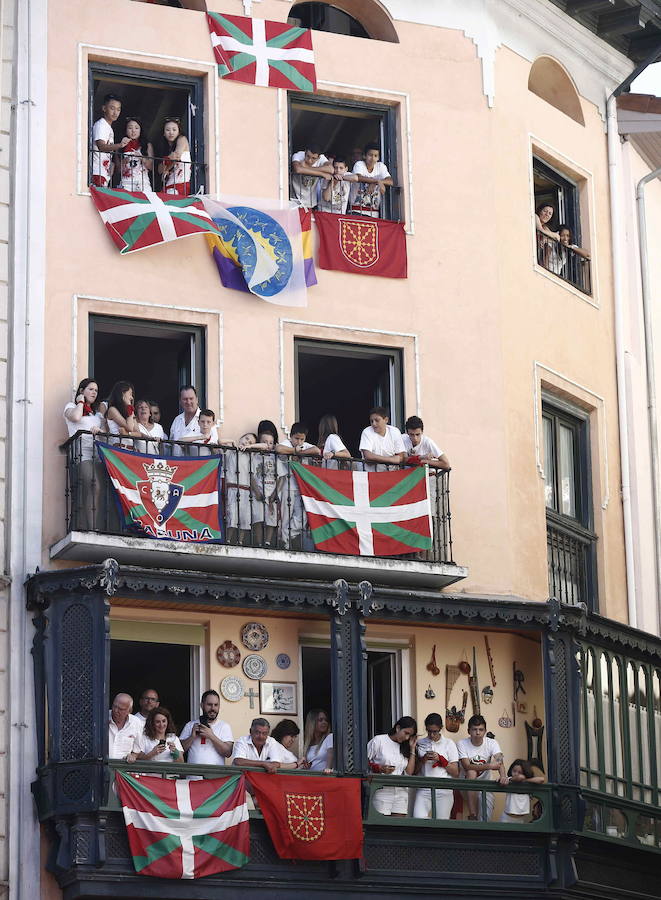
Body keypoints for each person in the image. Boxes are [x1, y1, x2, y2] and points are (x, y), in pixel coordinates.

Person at [63, 378, 107, 530]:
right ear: (82, 391)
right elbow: (75, 417)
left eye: (96, 390)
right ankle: (92, 527)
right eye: (90, 389)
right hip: (82, 454)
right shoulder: (71, 407)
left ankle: (95, 526)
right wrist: (81, 401)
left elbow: (105, 434)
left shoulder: (96, 415)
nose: (94, 392)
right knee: (94, 485)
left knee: (97, 490)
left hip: (98, 455)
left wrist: (100, 430)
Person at [276, 423, 321, 548]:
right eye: (296, 438)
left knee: (302, 516)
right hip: (287, 486)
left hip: (302, 487)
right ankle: (285, 543)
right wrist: (295, 451)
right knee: (285, 516)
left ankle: (287, 536)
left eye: (302, 439)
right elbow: (278, 449)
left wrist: (301, 452)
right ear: (291, 436)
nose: (299, 441)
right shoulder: (286, 444)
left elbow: (317, 450)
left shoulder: (304, 446)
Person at [457, 714, 508, 821]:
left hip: (485, 784)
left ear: (485, 731)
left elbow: (500, 761)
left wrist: (503, 776)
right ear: (468, 731)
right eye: (474, 729)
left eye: (481, 729)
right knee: (471, 772)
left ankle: (482, 825)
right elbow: (467, 766)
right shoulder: (462, 743)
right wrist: (489, 766)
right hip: (466, 784)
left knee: (486, 817)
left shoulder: (492, 743)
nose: (478, 732)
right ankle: (472, 815)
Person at [412, 713, 459, 819]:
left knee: (441, 822)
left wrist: (441, 759)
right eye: (429, 731)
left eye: (435, 731)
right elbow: (414, 771)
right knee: (418, 818)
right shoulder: (420, 743)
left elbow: (455, 772)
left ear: (441, 728)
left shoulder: (449, 743)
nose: (432, 735)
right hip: (424, 788)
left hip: (444, 788)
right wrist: (423, 760)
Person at [367, 716, 417, 816]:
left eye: (410, 735)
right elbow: (364, 762)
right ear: (398, 728)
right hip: (381, 790)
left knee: (398, 824)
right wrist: (380, 768)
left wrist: (412, 749)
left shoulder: (405, 746)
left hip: (401, 791)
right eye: (406, 733)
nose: (407, 738)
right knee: (381, 823)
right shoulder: (379, 740)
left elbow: (409, 772)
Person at [180, 690, 233, 765]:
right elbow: (179, 750)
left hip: (216, 772)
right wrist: (192, 737)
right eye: (209, 704)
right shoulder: (190, 725)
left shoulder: (224, 726)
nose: (213, 708)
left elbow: (228, 753)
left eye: (216, 705)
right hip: (193, 772)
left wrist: (211, 736)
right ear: (202, 705)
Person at [226, 432, 258, 546]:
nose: (247, 442)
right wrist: (232, 442)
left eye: (250, 442)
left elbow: (264, 446)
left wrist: (250, 447)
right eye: (246, 439)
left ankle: (240, 541)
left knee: (244, 517)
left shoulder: (250, 455)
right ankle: (228, 540)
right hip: (233, 488)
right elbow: (220, 442)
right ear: (241, 438)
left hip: (245, 489)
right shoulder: (231, 451)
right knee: (232, 515)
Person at [91, 93, 129, 187]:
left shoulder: (108, 127)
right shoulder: (101, 125)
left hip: (103, 173)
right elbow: (101, 146)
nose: (115, 113)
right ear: (104, 108)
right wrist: (120, 145)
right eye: (112, 108)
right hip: (97, 171)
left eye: (118, 109)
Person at [251, 430, 279, 548]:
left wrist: (275, 493)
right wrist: (256, 491)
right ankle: (259, 542)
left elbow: (281, 477)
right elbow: (251, 475)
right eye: (265, 442)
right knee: (258, 517)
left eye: (271, 442)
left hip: (271, 491)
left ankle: (267, 541)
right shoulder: (254, 457)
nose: (268, 445)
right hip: (258, 491)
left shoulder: (275, 458)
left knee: (271, 518)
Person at [350, 142, 393, 218]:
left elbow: (390, 181)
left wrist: (377, 182)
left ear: (378, 158)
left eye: (375, 156)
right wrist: (377, 181)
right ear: (364, 156)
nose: (373, 158)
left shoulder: (381, 166)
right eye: (370, 155)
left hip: (374, 213)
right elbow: (358, 177)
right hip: (356, 211)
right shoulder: (359, 164)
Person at [500, 759, 545, 823]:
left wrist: (526, 781)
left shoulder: (526, 783)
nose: (516, 774)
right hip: (507, 818)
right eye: (514, 771)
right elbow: (520, 777)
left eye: (520, 772)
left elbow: (541, 779)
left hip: (520, 819)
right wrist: (524, 779)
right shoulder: (509, 780)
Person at [290, 144, 334, 209]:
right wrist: (321, 174)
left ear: (318, 158)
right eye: (308, 156)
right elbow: (298, 169)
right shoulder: (298, 155)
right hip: (295, 200)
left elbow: (331, 169)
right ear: (305, 152)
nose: (309, 160)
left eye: (313, 158)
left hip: (310, 202)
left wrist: (305, 168)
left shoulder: (322, 157)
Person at [117, 116, 153, 192]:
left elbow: (151, 167)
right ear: (126, 130)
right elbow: (118, 170)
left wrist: (142, 158)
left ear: (140, 130)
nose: (133, 131)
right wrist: (124, 162)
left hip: (143, 182)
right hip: (126, 182)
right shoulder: (120, 146)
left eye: (136, 128)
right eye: (130, 128)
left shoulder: (147, 145)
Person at [157, 117, 191, 196]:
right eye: (168, 130)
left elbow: (177, 156)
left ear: (179, 131)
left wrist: (166, 167)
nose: (171, 132)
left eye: (174, 130)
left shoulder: (182, 139)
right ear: (164, 133)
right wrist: (168, 160)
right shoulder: (165, 148)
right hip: (170, 184)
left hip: (181, 183)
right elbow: (159, 170)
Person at [108, 693, 142, 760]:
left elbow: (137, 750)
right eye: (114, 706)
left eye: (120, 709)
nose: (115, 710)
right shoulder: (103, 717)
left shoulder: (136, 722)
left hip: (123, 765)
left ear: (129, 711)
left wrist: (133, 756)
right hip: (102, 764)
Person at [169, 385, 201, 455]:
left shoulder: (206, 420)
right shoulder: (177, 420)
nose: (188, 402)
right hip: (177, 461)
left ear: (197, 400)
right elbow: (170, 445)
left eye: (191, 398)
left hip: (199, 462)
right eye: (185, 399)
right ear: (180, 402)